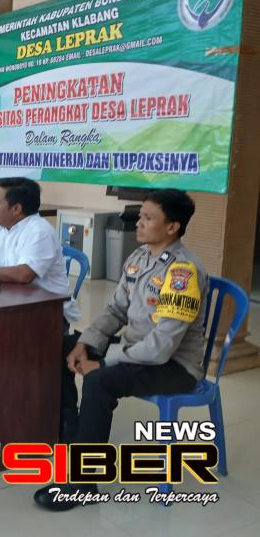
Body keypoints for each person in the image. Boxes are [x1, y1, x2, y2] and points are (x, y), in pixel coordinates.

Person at [34, 189, 207, 512]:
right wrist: (86, 344)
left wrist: (104, 363)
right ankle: (73, 437)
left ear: (172, 227)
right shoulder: (139, 257)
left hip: (174, 365)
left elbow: (160, 348)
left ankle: (83, 483)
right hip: (137, 349)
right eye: (140, 216)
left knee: (100, 381)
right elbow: (115, 311)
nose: (138, 223)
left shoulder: (182, 272)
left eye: (148, 218)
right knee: (63, 348)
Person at [0, 177, 80, 321]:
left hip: (49, 312)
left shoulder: (40, 232)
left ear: (16, 209)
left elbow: (23, 275)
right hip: (8, 302)